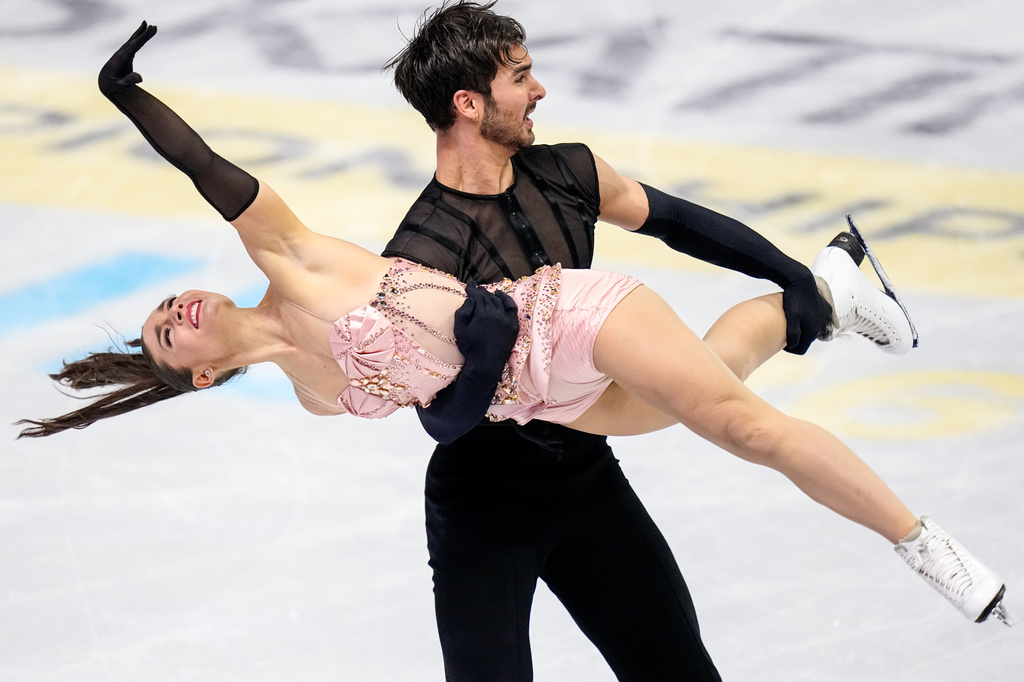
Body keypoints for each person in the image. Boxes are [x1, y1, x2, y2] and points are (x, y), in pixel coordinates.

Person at [18, 19, 1009, 682]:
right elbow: (449, 400)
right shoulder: (316, 395)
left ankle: (925, 545)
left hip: (561, 321)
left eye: (164, 306)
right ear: (203, 373)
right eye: (163, 332)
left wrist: (128, 98)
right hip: (537, 410)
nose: (176, 307)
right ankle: (827, 289)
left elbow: (207, 169)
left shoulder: (287, 255)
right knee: (713, 378)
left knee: (735, 421)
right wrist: (473, 396)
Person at [376, 2, 973, 680]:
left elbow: (676, 221)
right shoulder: (419, 258)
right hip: (483, 504)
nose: (539, 89)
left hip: (586, 479)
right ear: (470, 104)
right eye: (520, 77)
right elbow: (440, 420)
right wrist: (485, 361)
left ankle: (826, 298)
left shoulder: (567, 173)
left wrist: (787, 272)